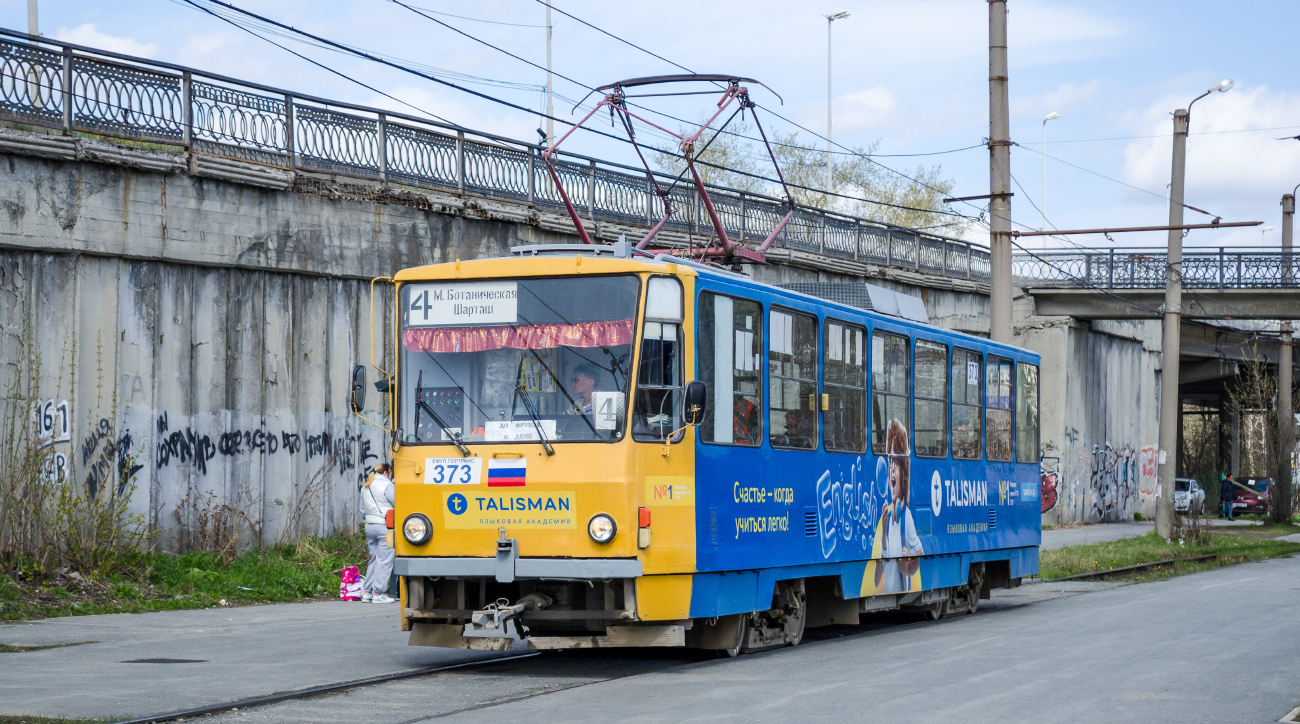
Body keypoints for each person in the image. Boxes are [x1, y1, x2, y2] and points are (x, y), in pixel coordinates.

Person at [871, 419, 924, 594]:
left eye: (896, 464)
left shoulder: (905, 515)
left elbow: (919, 553)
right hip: (887, 590)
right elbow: (878, 577)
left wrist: (905, 565)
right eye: (890, 463)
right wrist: (884, 532)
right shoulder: (888, 515)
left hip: (899, 588)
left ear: (904, 473)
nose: (892, 470)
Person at [359, 463, 396, 603]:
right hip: (385, 527)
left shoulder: (366, 486)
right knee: (385, 560)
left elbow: (362, 510)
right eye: (390, 474)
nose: (391, 477)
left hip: (369, 526)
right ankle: (378, 593)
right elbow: (397, 502)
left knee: (374, 558)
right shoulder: (387, 485)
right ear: (386, 473)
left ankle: (367, 591)